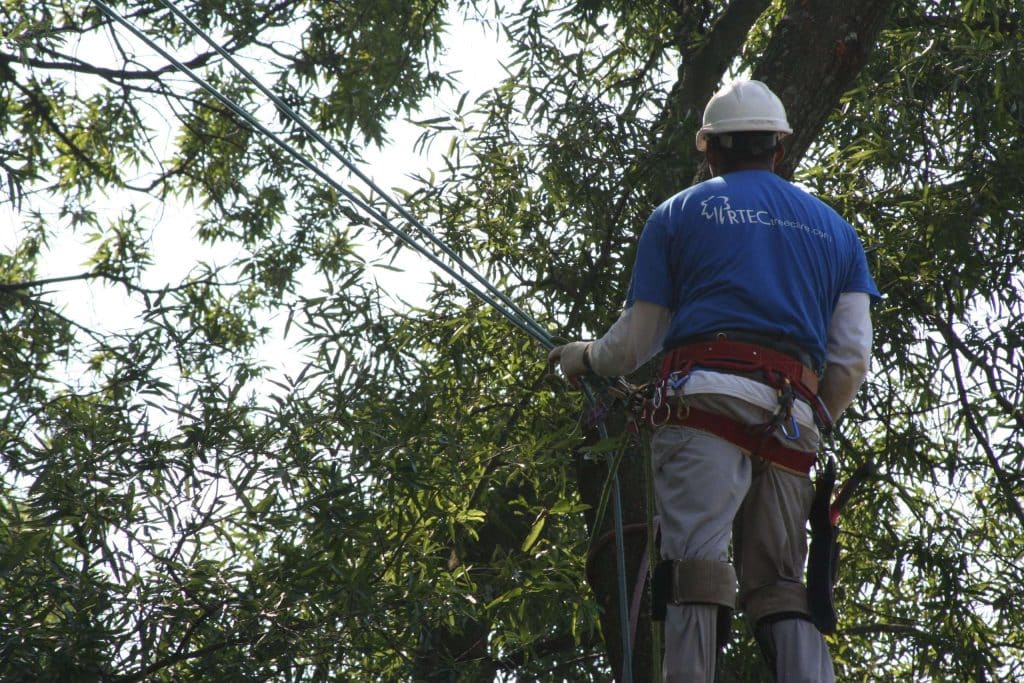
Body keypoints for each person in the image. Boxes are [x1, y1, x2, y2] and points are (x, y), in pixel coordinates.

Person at [549, 79, 880, 682]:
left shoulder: (678, 214)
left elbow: (636, 339)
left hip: (701, 412)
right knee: (783, 587)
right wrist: (813, 422)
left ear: (711, 150)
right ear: (778, 149)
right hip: (793, 421)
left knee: (695, 570)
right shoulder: (837, 232)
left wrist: (585, 358)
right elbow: (852, 354)